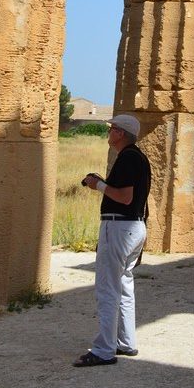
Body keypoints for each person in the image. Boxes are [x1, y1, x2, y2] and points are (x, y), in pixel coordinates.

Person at [73, 113, 151, 368]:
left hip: (119, 227)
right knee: (124, 285)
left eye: (112, 129)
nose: (109, 133)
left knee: (107, 288)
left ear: (120, 133)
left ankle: (104, 350)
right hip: (133, 227)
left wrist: (99, 186)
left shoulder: (128, 157)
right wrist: (103, 183)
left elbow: (125, 197)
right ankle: (126, 342)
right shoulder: (138, 157)